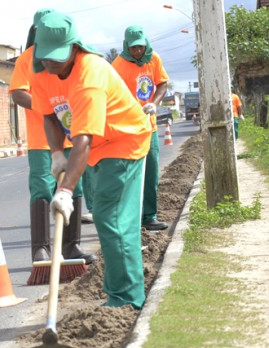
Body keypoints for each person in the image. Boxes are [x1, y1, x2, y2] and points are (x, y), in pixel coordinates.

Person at [31, 12, 151, 308]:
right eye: (45, 57)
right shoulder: (41, 72)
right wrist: (57, 153)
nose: (51, 63)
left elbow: (82, 138)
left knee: (112, 218)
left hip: (124, 140)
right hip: (96, 147)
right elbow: (49, 115)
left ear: (75, 47)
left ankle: (127, 298)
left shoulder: (90, 75)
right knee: (104, 215)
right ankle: (118, 291)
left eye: (57, 57)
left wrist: (66, 190)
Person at [9, 9, 96, 264]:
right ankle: (41, 248)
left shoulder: (72, 57)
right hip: (40, 138)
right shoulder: (27, 59)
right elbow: (17, 93)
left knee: (75, 184)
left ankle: (71, 246)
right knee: (42, 187)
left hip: (71, 133)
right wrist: (48, 108)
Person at [112, 25, 169, 232]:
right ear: (126, 46)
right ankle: (127, 218)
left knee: (151, 172)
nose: (138, 52)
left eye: (141, 47)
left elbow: (162, 83)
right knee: (127, 175)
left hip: (149, 126)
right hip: (127, 129)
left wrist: (154, 103)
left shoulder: (153, 59)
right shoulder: (117, 66)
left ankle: (149, 216)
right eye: (134, 48)